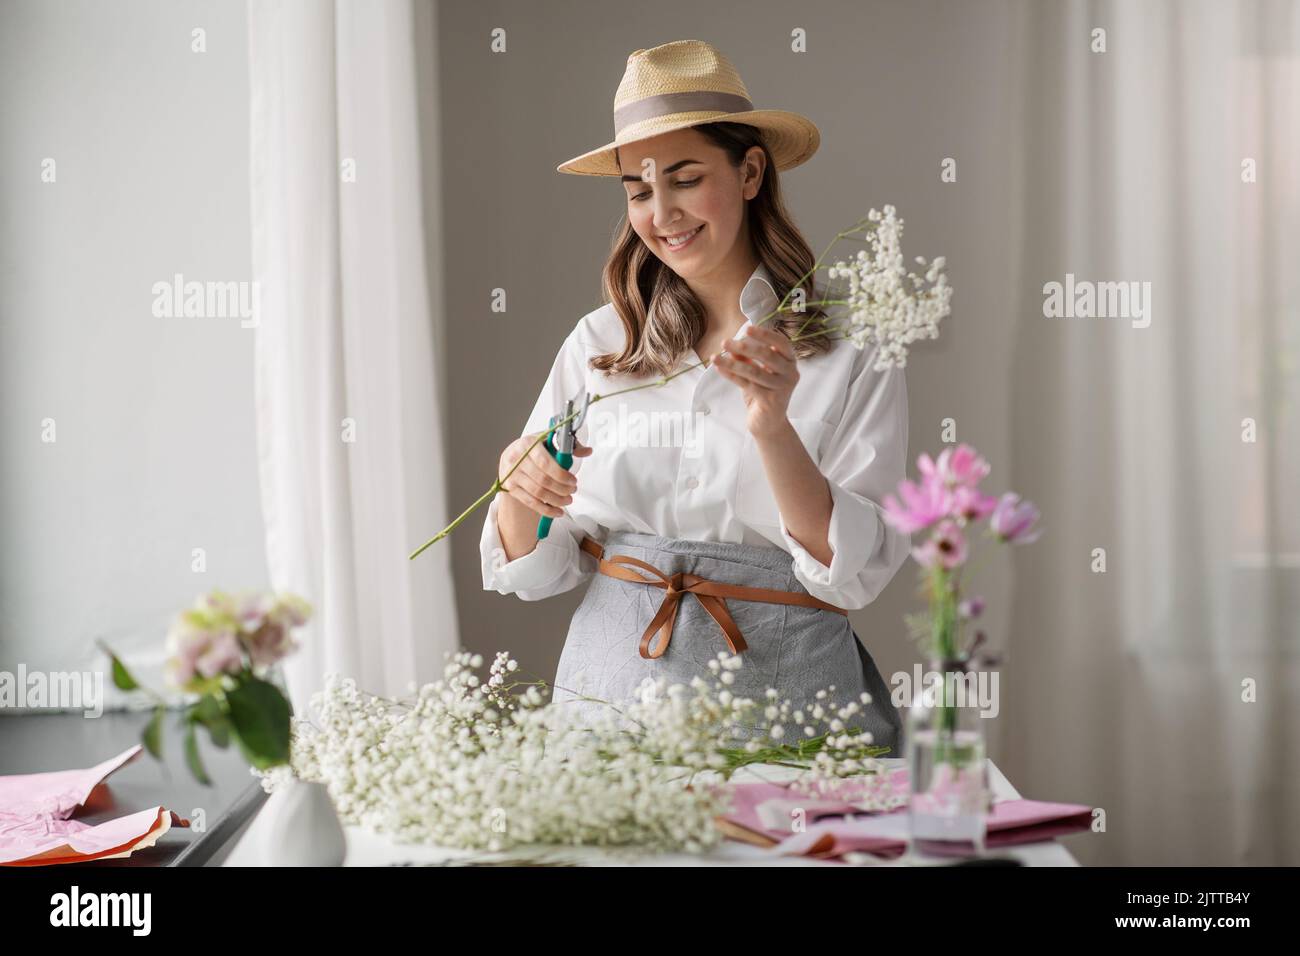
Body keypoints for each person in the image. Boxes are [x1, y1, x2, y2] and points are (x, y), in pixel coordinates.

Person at [479, 39, 911, 751]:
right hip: (607, 702)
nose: (663, 214)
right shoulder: (599, 344)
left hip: (791, 702)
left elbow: (852, 576)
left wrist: (772, 427)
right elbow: (536, 572)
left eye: (685, 179)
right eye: (640, 190)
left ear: (749, 172)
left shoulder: (851, 345)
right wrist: (515, 482)